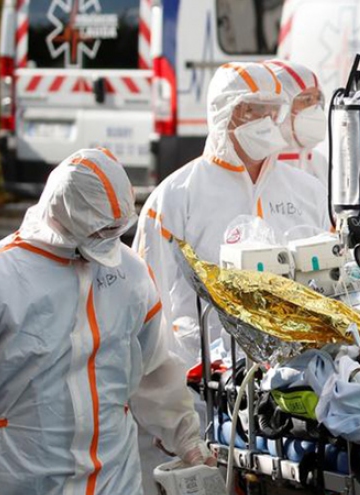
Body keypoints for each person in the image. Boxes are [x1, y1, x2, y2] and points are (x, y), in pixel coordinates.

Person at [0, 149, 208, 495]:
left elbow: (154, 369)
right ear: (66, 215)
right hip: (20, 479)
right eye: (101, 230)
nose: (110, 240)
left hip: (113, 479)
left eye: (117, 229)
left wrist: (186, 438)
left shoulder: (129, 272)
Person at [134, 61, 331, 367]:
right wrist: (167, 379)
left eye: (273, 110)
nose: (266, 119)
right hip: (205, 373)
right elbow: (147, 298)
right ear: (223, 113)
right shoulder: (177, 196)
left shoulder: (308, 191)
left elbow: (331, 284)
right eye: (252, 109)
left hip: (296, 373)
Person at [266, 59, 330, 190]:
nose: (315, 108)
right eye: (307, 100)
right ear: (278, 107)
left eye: (318, 99)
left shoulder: (319, 163)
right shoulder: (259, 168)